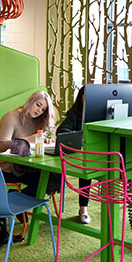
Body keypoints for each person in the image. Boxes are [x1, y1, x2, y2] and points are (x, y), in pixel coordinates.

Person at [0, 91, 58, 190]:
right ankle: (17, 200)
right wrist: (28, 139)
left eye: (43, 110)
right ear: (31, 101)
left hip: (26, 165)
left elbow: (32, 146)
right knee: (47, 180)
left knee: (57, 176)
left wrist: (42, 141)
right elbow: (1, 144)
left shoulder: (37, 120)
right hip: (7, 167)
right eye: (38, 105)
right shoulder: (10, 117)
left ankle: (18, 197)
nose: (39, 110)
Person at [55, 88, 92, 223]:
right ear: (81, 97)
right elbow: (62, 130)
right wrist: (77, 137)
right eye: (85, 96)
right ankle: (83, 209)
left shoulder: (101, 112)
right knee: (86, 168)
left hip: (98, 150)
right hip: (80, 153)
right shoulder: (75, 113)